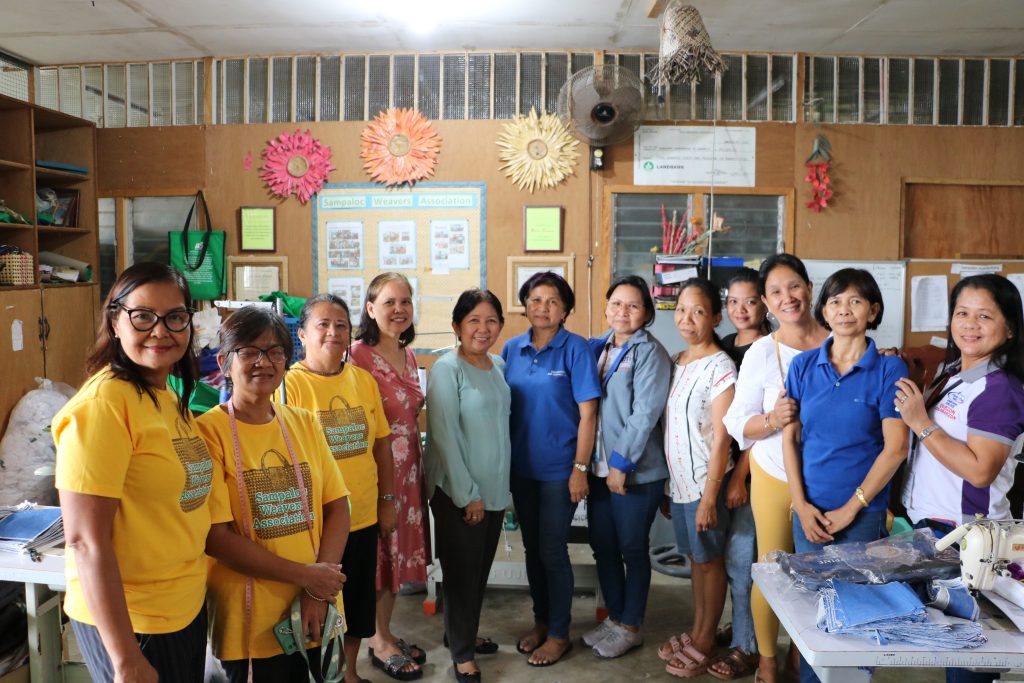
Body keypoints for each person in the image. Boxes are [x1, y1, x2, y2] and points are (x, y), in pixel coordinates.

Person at [54, 262, 226, 683]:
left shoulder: (164, 394)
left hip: (181, 605)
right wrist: (125, 659)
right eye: (143, 316)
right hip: (135, 621)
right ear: (115, 322)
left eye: (175, 317)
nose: (160, 331)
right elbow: (85, 542)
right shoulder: (103, 407)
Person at [198, 306, 351, 682]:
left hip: (317, 610)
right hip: (252, 625)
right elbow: (217, 538)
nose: (263, 362)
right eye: (249, 351)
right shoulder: (207, 433)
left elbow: (337, 506)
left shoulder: (304, 422)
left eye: (274, 351)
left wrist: (316, 591)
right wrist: (307, 577)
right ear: (223, 362)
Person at [782, 268, 908, 683]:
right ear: (823, 310)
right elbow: (790, 438)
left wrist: (851, 508)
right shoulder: (803, 365)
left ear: (873, 310)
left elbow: (896, 448)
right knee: (812, 615)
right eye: (835, 301)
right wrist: (800, 505)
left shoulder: (889, 368)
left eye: (855, 301)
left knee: (857, 619)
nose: (844, 309)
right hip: (810, 514)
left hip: (862, 515)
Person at [897, 274, 1024, 683]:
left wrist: (920, 423)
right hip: (936, 531)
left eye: (984, 316)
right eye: (962, 313)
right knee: (951, 649)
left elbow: (979, 470)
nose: (970, 324)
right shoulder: (955, 372)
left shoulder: (999, 389)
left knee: (969, 662)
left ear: (1009, 329)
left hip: (969, 539)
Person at [722, 254, 829, 683]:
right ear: (766, 302)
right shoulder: (763, 352)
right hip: (774, 475)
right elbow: (736, 422)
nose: (788, 297)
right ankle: (767, 660)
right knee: (771, 571)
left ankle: (802, 655)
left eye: (794, 286)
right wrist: (772, 420)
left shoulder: (840, 341)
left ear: (809, 286)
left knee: (818, 574)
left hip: (826, 477)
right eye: (776, 292)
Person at [284, 293, 396, 683]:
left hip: (361, 516)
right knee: (319, 605)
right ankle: (320, 675)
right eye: (323, 324)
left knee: (358, 605)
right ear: (302, 334)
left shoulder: (362, 380)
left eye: (341, 325)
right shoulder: (289, 385)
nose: (333, 332)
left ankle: (348, 674)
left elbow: (382, 444)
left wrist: (386, 501)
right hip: (315, 524)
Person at [501, 271, 601, 667]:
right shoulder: (511, 349)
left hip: (560, 470)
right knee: (532, 550)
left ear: (565, 310)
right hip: (521, 469)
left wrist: (580, 468)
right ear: (525, 305)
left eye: (552, 301)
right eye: (536, 300)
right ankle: (541, 622)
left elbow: (589, 414)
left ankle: (560, 634)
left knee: (552, 550)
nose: (543, 307)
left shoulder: (576, 349)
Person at [424, 289, 511, 683]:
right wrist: (467, 494)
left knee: (477, 574)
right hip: (460, 493)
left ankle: (460, 635)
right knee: (461, 576)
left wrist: (496, 492)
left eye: (491, 320)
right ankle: (462, 655)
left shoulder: (498, 365)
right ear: (457, 326)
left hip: (493, 490)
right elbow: (444, 436)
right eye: (473, 320)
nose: (483, 328)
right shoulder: (446, 369)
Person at [582, 275, 671, 659]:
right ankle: (615, 618)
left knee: (632, 549)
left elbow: (644, 414)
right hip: (598, 469)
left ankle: (632, 625)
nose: (623, 312)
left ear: (646, 312)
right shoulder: (597, 347)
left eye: (633, 305)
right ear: (606, 307)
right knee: (603, 546)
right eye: (617, 303)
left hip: (635, 472)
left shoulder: (650, 353)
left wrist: (621, 464)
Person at [350, 272, 429, 680]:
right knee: (380, 554)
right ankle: (377, 640)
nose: (399, 310)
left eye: (405, 302)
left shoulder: (408, 354)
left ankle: (385, 630)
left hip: (409, 470)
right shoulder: (357, 356)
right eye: (389, 302)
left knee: (397, 553)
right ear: (370, 309)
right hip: (378, 469)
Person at [657, 277, 736, 679]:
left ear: (716, 318)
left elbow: (722, 438)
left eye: (699, 311)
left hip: (707, 484)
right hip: (681, 484)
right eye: (682, 310)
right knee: (695, 560)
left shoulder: (721, 367)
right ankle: (697, 629)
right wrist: (669, 488)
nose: (687, 318)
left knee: (710, 562)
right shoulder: (676, 361)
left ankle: (706, 641)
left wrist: (709, 498)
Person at [709, 268, 771, 681]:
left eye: (749, 301)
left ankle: (748, 647)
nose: (740, 309)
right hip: (721, 467)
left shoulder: (769, 349)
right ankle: (742, 629)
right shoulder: (726, 347)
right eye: (732, 301)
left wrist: (738, 478)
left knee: (743, 558)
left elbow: (762, 422)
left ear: (765, 303)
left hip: (752, 473)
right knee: (730, 558)